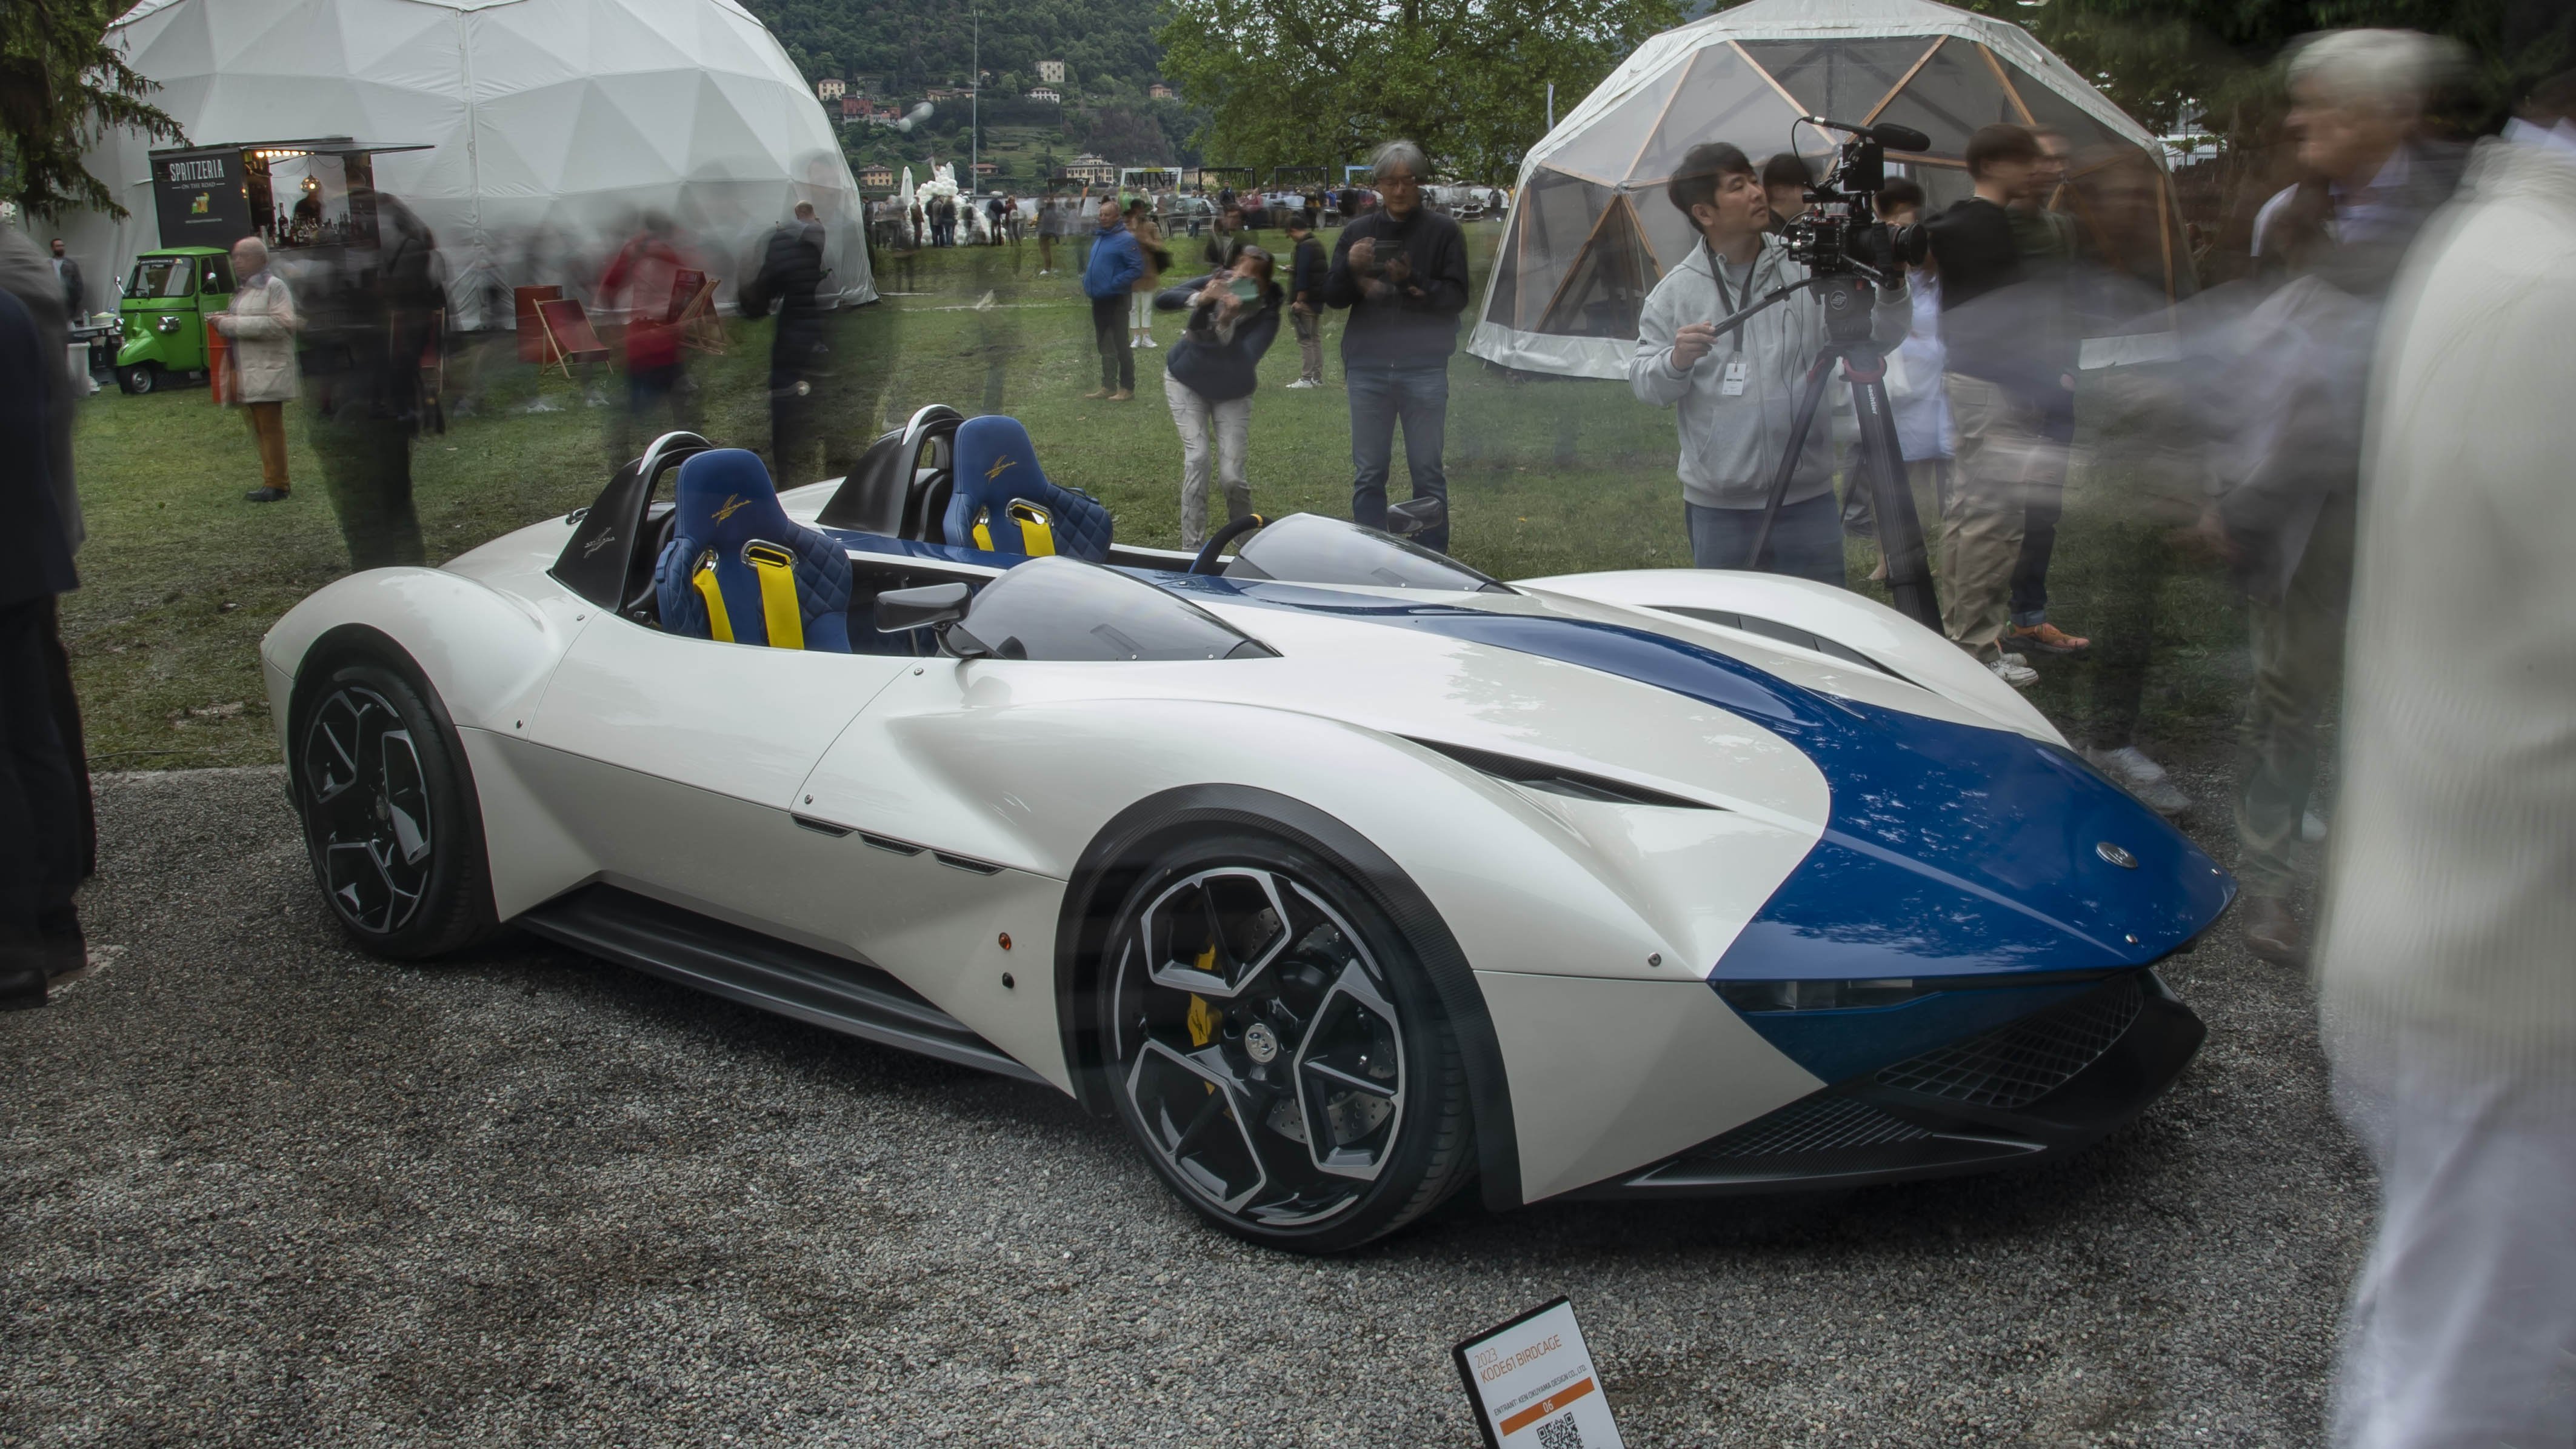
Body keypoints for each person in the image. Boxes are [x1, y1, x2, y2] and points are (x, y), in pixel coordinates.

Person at [2315, 67, 2576, 1449]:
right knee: (2474, 1384)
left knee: (2450, 1351)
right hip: (2518, 956)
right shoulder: (2547, 284)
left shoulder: (2499, 239)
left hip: (2477, 928)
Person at [2214, 30, 2467, 964]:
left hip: (2424, 493)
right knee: (2288, 694)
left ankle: (2407, 883)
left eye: (2320, 103)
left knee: (2419, 691)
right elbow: (2254, 363)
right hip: (2306, 506)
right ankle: (2269, 883)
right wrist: (2232, 488)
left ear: (2389, 114)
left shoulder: (2457, 210)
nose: (2296, 120)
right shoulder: (2285, 214)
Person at [1630, 142, 1912, 585]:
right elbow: (1646, 385)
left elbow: (1876, 339)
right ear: (1704, 213)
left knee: (1818, 619)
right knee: (1735, 622)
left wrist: (1893, 287)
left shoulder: (1808, 268)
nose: (1756, 192)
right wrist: (1674, 360)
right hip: (1720, 509)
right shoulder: (1675, 293)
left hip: (1808, 501)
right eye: (1737, 186)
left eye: (1753, 180)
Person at [1925, 123, 2054, 687]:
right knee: (1993, 520)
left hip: (1973, 381)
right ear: (1995, 164)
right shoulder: (1981, 223)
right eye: (2028, 160)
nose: (2038, 171)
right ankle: (1975, 650)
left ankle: (1962, 638)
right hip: (1992, 384)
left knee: (1969, 512)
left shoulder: (1970, 219)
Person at [1323, 139, 1470, 553]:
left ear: (1419, 183)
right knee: (1369, 472)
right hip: (1367, 367)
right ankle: (1372, 557)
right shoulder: (1357, 233)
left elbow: (1456, 297)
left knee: (1427, 471)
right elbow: (1332, 297)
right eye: (1391, 182)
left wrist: (1412, 281)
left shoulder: (1443, 232)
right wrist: (1351, 268)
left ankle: (1433, 557)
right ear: (1378, 186)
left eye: (1408, 181)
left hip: (1424, 366)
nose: (1400, 190)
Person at [0, 285, 83, 1011]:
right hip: (23, 553)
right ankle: (55, 923)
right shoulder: (11, 311)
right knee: (33, 738)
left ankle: (12, 948)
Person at [1998, 128, 2091, 659]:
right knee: (1999, 509)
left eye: (2061, 160)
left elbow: (2068, 301)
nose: (2053, 169)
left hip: (2056, 387)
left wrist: (2068, 368)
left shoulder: (2061, 228)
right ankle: (1983, 625)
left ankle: (2029, 618)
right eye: (2043, 159)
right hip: (2006, 387)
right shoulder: (1993, 227)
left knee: (2043, 510)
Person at [1155, 246, 1284, 548]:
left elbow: (1246, 359)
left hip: (1232, 390)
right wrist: (1201, 298)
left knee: (1232, 477)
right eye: (1238, 271)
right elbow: (1164, 299)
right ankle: (1191, 550)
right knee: (1197, 459)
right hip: (1186, 379)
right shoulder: (1220, 282)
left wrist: (1226, 322)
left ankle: (1246, 547)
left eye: (1250, 279)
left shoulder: (1268, 314)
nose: (1239, 280)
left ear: (1264, 286)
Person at [598, 212, 701, 467]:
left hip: (640, 340)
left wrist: (614, 323)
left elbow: (608, 288)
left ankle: (621, 454)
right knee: (678, 401)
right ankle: (690, 453)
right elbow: (690, 288)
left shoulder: (634, 250)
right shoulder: (668, 252)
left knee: (640, 402)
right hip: (664, 340)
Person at [741, 205, 830, 478]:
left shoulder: (782, 244)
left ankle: (786, 472)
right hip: (817, 329)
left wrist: (746, 281)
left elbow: (759, 303)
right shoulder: (814, 244)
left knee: (785, 405)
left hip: (793, 335)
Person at [209, 235, 300, 503]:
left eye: (243, 256)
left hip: (267, 368)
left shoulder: (274, 287)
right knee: (260, 428)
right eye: (235, 256)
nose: (237, 261)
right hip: (249, 369)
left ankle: (278, 484)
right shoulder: (245, 290)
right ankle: (272, 480)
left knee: (270, 427)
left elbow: (284, 323)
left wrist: (231, 324)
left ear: (261, 259)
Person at [1081, 195, 1143, 401]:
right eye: (1101, 214)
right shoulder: (1101, 238)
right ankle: (1108, 385)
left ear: (1117, 216)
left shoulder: (1126, 240)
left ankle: (1127, 387)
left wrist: (1113, 283)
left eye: (1107, 215)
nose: (1103, 218)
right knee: (1104, 343)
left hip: (1117, 299)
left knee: (1120, 343)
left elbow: (1136, 268)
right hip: (1099, 299)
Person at [1283, 214, 1327, 389]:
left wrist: (1299, 300)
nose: (1291, 238)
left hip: (1306, 300)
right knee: (1315, 339)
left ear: (1293, 230)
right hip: (1317, 298)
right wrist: (1293, 269)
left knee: (1305, 339)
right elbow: (1314, 270)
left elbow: (1303, 276)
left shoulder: (1304, 247)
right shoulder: (1316, 244)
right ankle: (1317, 378)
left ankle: (1306, 379)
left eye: (1290, 234)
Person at [1127, 198, 1167, 350]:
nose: (1139, 213)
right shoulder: (1126, 228)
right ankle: (1136, 337)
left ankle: (1146, 336)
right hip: (1132, 271)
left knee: (1147, 306)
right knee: (1133, 307)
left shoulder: (1151, 226)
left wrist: (1147, 241)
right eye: (1136, 211)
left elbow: (1159, 245)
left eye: (1140, 210)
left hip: (1148, 270)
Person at [1762, 153, 1814, 233]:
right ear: (1779, 192)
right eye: (1803, 189)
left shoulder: (1779, 228)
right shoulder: (1769, 234)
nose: (1809, 195)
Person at [48, 239, 83, 321]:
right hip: (53, 299)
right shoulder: (48, 264)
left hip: (69, 299)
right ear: (53, 248)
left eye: (62, 246)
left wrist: (76, 298)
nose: (61, 248)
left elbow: (78, 283)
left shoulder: (71, 264)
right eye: (58, 246)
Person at [1204, 205, 1246, 271]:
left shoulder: (1243, 238)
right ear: (1225, 219)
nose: (1234, 220)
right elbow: (1209, 259)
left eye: (1237, 217)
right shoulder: (1217, 238)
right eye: (1231, 217)